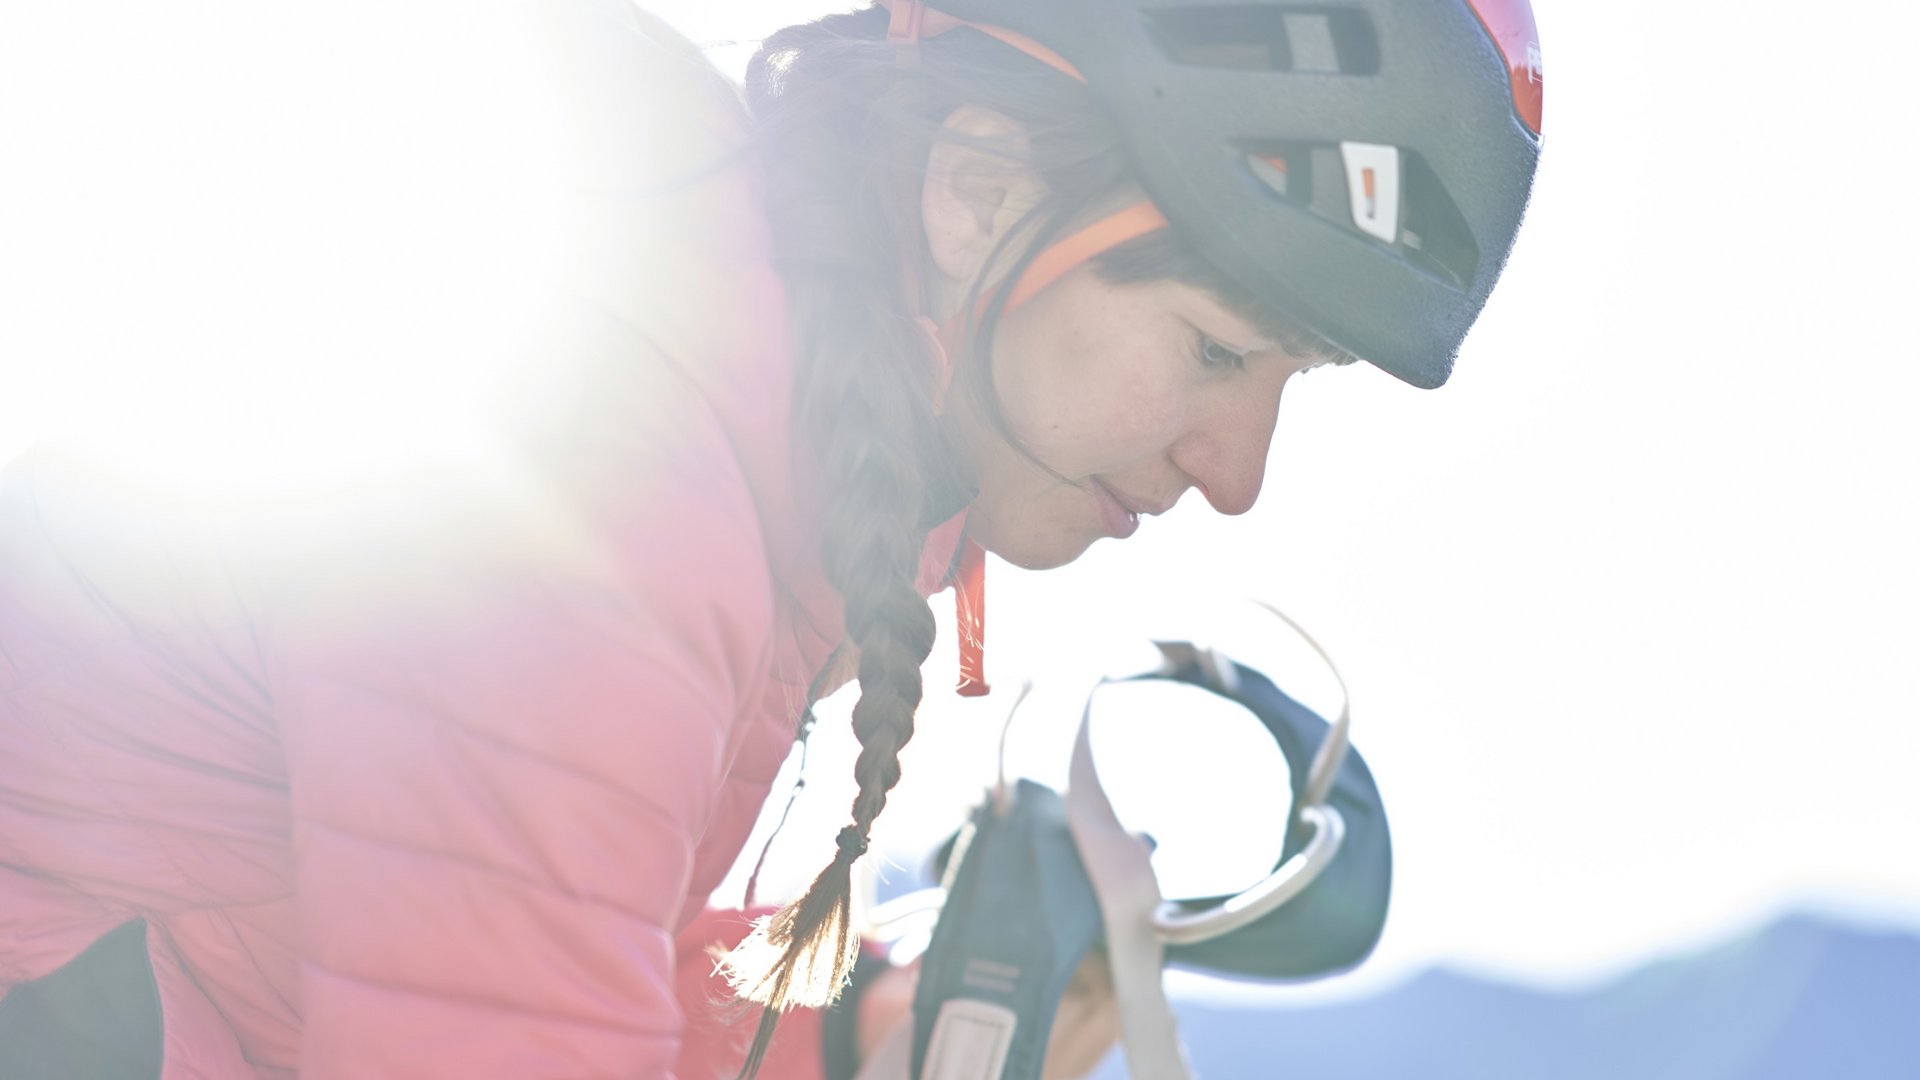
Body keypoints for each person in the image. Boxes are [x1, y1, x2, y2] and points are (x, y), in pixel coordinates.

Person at [0, 0, 1540, 1077]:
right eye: (1218, 352)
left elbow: (493, 929)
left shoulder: (750, 412)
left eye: (1293, 383)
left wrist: (874, 1031)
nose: (1239, 470)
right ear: (978, 191)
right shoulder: (600, 483)